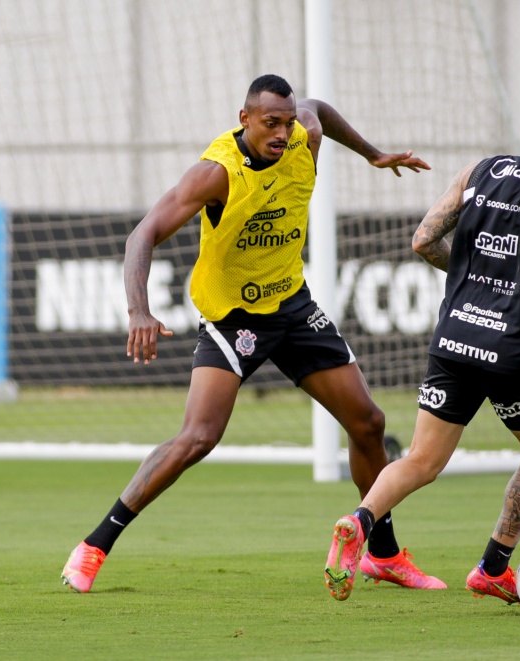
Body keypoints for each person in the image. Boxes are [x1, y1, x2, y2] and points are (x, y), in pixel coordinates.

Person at [61, 74, 442, 596]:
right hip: (233, 317)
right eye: (270, 123)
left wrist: (373, 155)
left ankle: (382, 554)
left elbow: (319, 110)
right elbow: (142, 234)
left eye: (286, 122)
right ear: (245, 120)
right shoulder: (216, 174)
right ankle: (94, 546)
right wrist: (138, 311)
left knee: (368, 422)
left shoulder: (303, 135)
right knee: (199, 438)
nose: (283, 133)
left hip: (292, 305)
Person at [324, 92, 520, 603]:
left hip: (453, 340)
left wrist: (474, 274)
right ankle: (492, 567)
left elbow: (423, 240)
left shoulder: (477, 171)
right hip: (514, 349)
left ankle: (360, 520)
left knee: (422, 458)